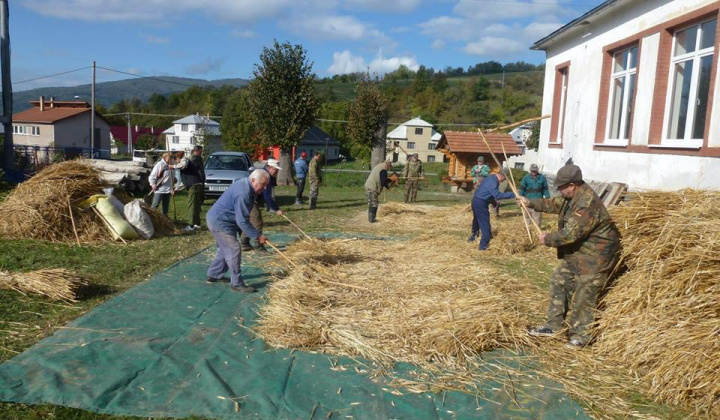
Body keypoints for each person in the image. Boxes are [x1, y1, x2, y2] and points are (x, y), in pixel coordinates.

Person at [516, 164, 621, 348]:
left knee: (585, 293)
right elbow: (555, 204)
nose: (560, 190)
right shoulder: (571, 196)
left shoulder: (586, 203)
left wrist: (546, 239)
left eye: (562, 187)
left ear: (572, 185)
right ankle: (553, 326)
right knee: (559, 279)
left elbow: (570, 234)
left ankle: (581, 336)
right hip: (579, 253)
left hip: (596, 257)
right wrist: (530, 202)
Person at [205, 169, 270, 293]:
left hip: (224, 220)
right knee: (233, 248)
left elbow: (242, 217)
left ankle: (214, 274)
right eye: (263, 185)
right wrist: (257, 236)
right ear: (253, 180)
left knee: (225, 249)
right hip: (219, 222)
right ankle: (237, 284)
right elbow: (242, 220)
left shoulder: (247, 185)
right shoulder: (243, 192)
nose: (265, 188)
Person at [240, 159, 283, 252]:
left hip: (249, 198)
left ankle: (244, 242)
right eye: (275, 169)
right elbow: (267, 197)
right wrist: (276, 209)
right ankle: (258, 246)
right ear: (269, 168)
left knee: (249, 220)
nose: (277, 171)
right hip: (250, 198)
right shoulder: (265, 176)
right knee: (257, 221)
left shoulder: (265, 173)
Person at [469, 171, 515, 250]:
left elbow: (488, 193)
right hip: (481, 203)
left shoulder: (490, 178)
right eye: (503, 180)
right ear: (500, 176)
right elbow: (497, 195)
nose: (502, 182)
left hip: (475, 200)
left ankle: (473, 237)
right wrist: (513, 194)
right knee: (485, 223)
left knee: (476, 220)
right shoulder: (493, 181)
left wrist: (493, 203)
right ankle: (483, 245)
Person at [177, 146, 206, 229]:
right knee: (196, 205)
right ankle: (196, 223)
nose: (201, 153)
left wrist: (172, 166)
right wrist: (177, 189)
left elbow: (184, 165)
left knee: (193, 205)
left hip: (195, 184)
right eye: (200, 152)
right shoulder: (193, 159)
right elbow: (186, 179)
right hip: (197, 183)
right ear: (195, 151)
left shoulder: (190, 160)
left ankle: (191, 225)